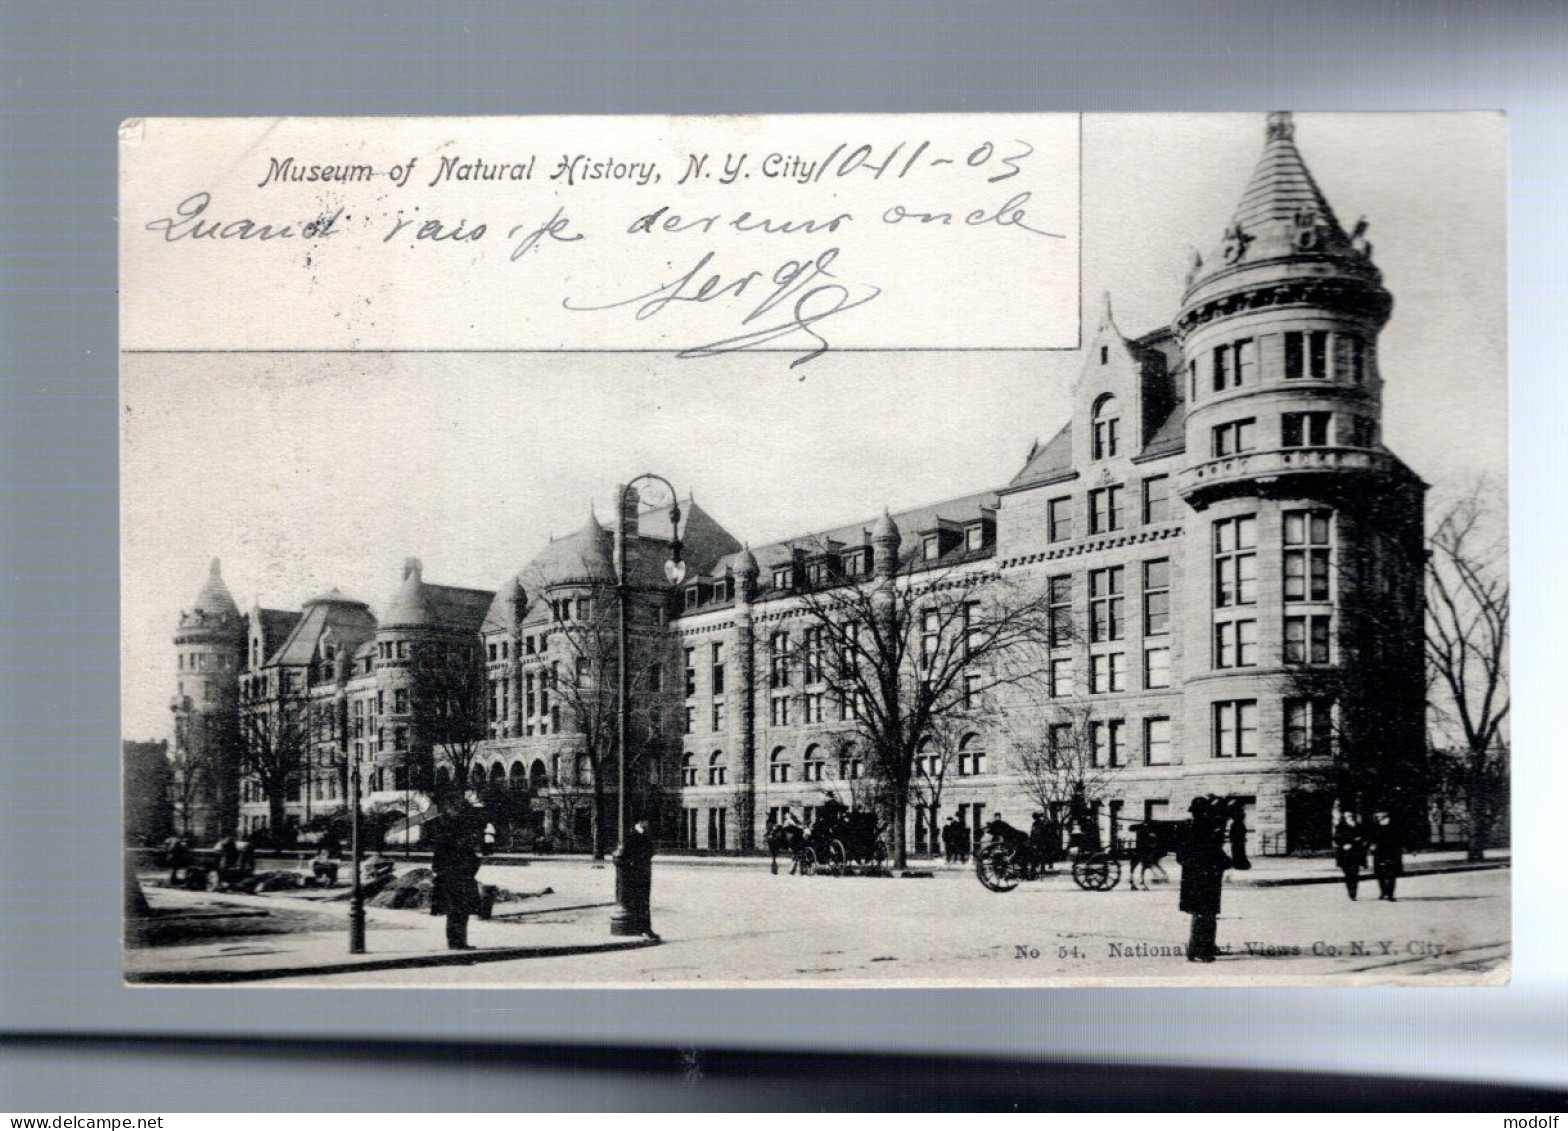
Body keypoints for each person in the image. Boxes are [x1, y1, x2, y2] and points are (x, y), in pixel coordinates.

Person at [1178, 797, 1232, 963]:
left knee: (1198, 914)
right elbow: (1213, 851)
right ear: (1205, 812)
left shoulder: (1186, 828)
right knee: (1207, 915)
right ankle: (1204, 951)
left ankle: (1195, 950)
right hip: (1206, 878)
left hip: (1191, 879)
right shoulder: (1207, 829)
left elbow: (1180, 856)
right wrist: (1226, 862)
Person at [428, 807, 483, 950]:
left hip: (452, 881)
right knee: (458, 913)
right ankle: (457, 943)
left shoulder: (445, 843)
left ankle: (456, 942)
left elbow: (436, 865)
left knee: (456, 913)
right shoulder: (455, 845)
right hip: (457, 881)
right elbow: (472, 861)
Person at [620, 817, 659, 940]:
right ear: (641, 822)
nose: (648, 824)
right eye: (646, 821)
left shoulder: (644, 834)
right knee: (639, 902)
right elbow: (626, 855)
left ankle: (644, 928)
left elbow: (651, 851)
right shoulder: (631, 835)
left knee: (644, 902)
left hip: (644, 873)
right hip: (636, 874)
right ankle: (643, 929)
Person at [1368, 811, 1404, 901]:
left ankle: (1390, 894)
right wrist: (1370, 845)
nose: (1377, 816)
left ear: (1385, 814)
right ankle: (1383, 891)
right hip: (1379, 853)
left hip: (1392, 853)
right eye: (1376, 814)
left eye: (1379, 814)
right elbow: (1370, 837)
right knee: (1380, 874)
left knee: (1391, 874)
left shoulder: (1395, 825)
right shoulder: (1375, 825)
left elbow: (1400, 838)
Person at [1333, 813, 1367, 900]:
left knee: (1355, 873)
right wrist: (1345, 844)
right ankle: (1350, 891)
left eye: (1351, 816)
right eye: (1348, 816)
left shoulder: (1359, 826)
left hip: (1356, 854)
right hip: (1344, 854)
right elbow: (1337, 838)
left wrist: (1353, 842)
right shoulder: (1340, 826)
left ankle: (1353, 893)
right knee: (1348, 874)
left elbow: (1363, 838)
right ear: (1344, 818)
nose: (1350, 817)